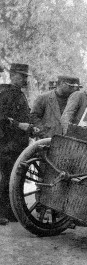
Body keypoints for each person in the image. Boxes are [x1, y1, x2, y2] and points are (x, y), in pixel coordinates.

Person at [0, 63, 37, 225]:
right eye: (21, 76)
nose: (24, 79)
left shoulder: (20, 94)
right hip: (7, 144)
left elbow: (25, 117)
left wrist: (30, 128)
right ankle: (2, 213)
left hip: (19, 144)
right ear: (12, 75)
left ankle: (10, 212)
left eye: (25, 76)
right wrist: (18, 125)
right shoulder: (4, 93)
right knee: (7, 177)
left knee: (15, 178)